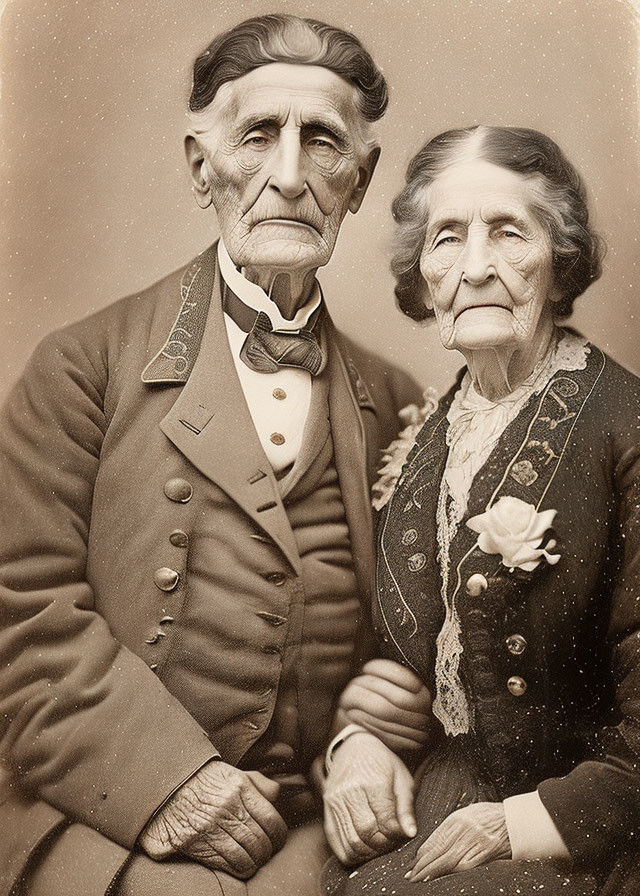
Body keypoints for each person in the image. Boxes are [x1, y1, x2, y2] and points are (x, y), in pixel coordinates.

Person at [0, 15, 430, 896]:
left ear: (361, 179)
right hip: (103, 803)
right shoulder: (84, 367)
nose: (288, 176)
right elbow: (22, 616)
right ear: (203, 167)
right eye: (258, 136)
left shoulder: (393, 401)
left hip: (306, 818)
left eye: (322, 143)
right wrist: (169, 783)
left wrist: (362, 738)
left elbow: (412, 632)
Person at [322, 125, 640, 896]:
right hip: (445, 787)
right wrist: (357, 743)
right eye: (447, 239)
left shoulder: (623, 428)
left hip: (585, 823)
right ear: (422, 276)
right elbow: (403, 658)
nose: (475, 268)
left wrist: (525, 823)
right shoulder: (432, 429)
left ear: (559, 261)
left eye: (507, 233)